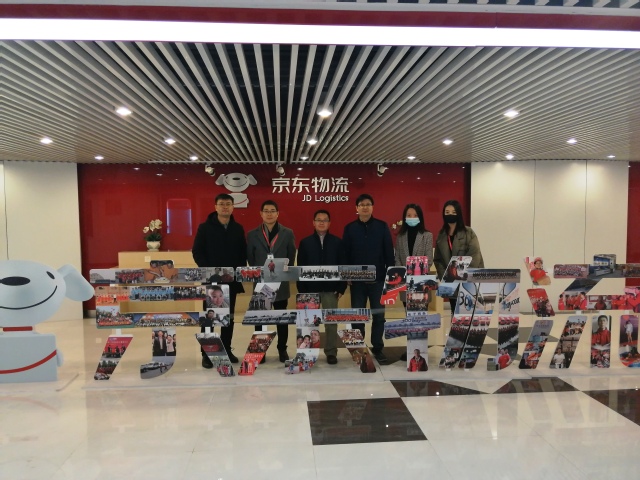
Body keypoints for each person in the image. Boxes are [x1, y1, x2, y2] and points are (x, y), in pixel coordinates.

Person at [192, 193, 247, 366]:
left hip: (231, 281)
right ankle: (207, 353)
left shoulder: (237, 228)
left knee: (228, 319)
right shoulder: (205, 228)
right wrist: (210, 272)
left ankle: (226, 349)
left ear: (233, 207)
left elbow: (242, 254)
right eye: (222, 204)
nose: (225, 207)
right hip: (212, 282)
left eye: (228, 204)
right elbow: (197, 252)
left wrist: (237, 272)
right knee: (210, 319)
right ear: (215, 206)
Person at [342, 194, 394, 364]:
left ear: (372, 207)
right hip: (357, 282)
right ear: (356, 208)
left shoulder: (382, 226)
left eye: (368, 204)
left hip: (378, 281)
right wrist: (346, 275)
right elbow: (345, 253)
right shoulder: (350, 228)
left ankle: (378, 348)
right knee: (357, 316)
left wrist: (390, 277)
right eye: (361, 204)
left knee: (379, 316)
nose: (365, 207)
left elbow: (388, 252)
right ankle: (359, 348)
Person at [247, 199, 296, 362]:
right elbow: (251, 258)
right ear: (261, 214)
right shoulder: (252, 234)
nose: (269, 214)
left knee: (282, 317)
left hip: (281, 281)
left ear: (277, 213)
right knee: (260, 318)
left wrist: (282, 273)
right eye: (266, 211)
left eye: (272, 211)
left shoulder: (287, 233)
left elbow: (291, 256)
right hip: (261, 281)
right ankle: (260, 350)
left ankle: (282, 349)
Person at [296, 209, 347, 365]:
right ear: (314, 222)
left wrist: (341, 287)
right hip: (310, 290)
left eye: (325, 220)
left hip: (331, 290)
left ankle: (331, 352)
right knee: (310, 323)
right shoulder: (305, 243)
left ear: (329, 223)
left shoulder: (338, 242)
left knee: (331, 323)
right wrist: (302, 290)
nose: (322, 222)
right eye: (319, 220)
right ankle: (309, 352)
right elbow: (300, 267)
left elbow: (343, 265)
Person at [394, 203, 433, 361]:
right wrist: (403, 273)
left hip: (421, 282)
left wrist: (415, 272)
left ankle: (421, 349)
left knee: (420, 317)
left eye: (414, 215)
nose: (411, 218)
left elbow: (429, 259)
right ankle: (411, 349)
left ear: (420, 217)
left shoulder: (427, 235)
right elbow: (397, 258)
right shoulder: (400, 237)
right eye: (408, 215)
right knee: (409, 317)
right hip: (405, 282)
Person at [433, 200, 484, 314]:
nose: (450, 214)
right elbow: (438, 260)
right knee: (454, 314)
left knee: (469, 314)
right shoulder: (441, 235)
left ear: (459, 213)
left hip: (469, 281)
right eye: (447, 212)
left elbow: (474, 255)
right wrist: (446, 276)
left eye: (453, 212)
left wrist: (459, 274)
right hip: (451, 282)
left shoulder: (468, 232)